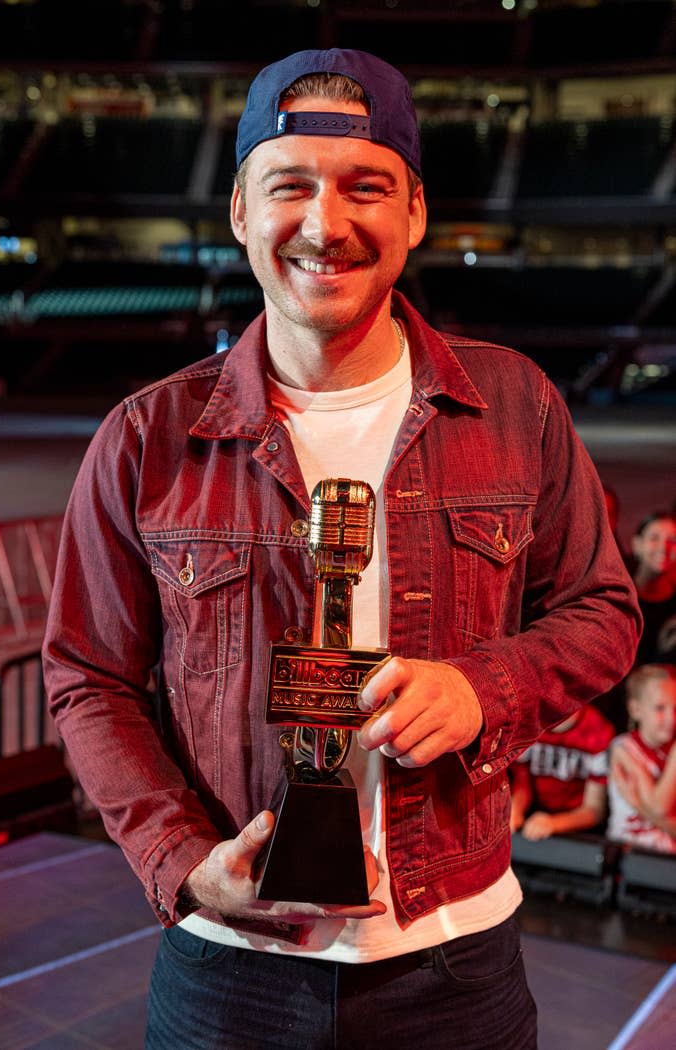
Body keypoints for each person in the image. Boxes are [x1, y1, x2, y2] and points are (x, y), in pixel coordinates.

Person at [43, 49, 641, 1050]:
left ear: (413, 212)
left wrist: (480, 689)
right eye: (291, 186)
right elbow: (85, 676)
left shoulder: (515, 405)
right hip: (228, 974)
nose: (325, 224)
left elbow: (603, 612)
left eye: (365, 186)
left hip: (456, 966)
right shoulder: (146, 436)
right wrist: (181, 857)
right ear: (240, 209)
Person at [510, 704, 614, 840]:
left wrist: (553, 823)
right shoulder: (526, 720)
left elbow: (594, 811)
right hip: (532, 815)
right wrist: (515, 809)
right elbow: (522, 784)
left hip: (578, 829)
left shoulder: (597, 730)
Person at [607, 664, 676, 853]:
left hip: (667, 863)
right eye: (660, 708)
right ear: (635, 709)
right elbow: (659, 807)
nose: (672, 718)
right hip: (624, 855)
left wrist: (636, 803)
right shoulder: (623, 748)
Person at [630, 512, 676, 665]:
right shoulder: (618, 595)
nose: (664, 547)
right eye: (654, 538)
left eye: (672, 540)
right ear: (637, 545)